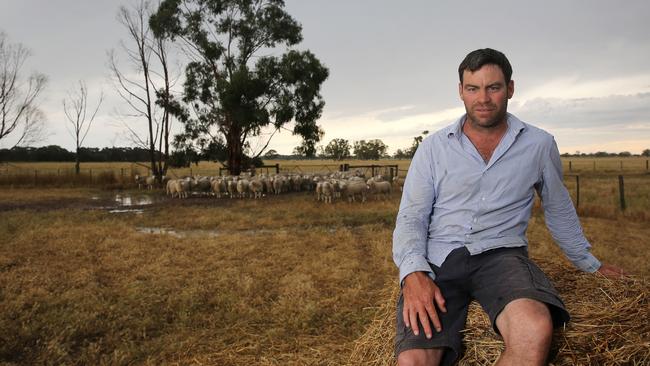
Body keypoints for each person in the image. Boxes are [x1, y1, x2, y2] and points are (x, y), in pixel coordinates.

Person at [392, 48, 624, 366]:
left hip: (502, 258)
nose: (483, 98)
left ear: (510, 89)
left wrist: (589, 263)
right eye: (473, 88)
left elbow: (558, 207)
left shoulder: (539, 145)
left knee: (535, 329)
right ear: (461, 91)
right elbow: (412, 216)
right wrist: (414, 273)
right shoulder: (433, 148)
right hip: (440, 261)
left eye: (494, 87)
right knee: (414, 361)